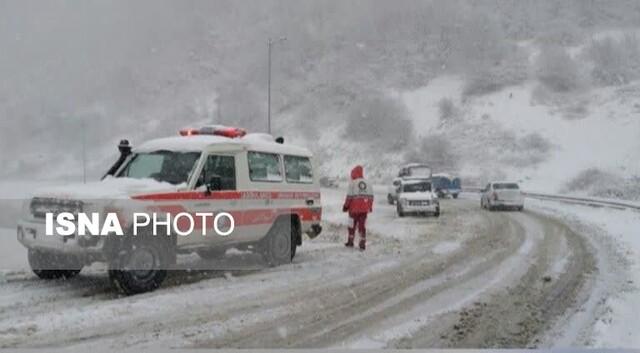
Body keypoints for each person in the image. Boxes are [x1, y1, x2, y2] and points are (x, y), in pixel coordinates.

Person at [342, 165, 374, 250]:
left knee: (351, 225)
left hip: (353, 210)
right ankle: (362, 242)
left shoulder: (352, 183)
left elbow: (349, 197)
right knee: (362, 226)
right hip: (364, 210)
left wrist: (345, 206)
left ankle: (350, 241)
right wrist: (369, 207)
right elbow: (371, 197)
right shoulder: (368, 183)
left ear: (354, 173)